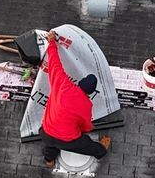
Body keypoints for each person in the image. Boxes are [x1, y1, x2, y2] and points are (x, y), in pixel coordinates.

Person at [39, 32, 111, 165]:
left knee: (50, 146)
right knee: (86, 145)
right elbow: (86, 127)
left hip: (46, 132)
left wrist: (52, 42)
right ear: (90, 92)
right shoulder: (86, 105)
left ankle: (49, 160)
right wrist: (85, 129)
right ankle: (101, 151)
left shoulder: (62, 84)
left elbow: (55, 63)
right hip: (68, 140)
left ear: (79, 82)